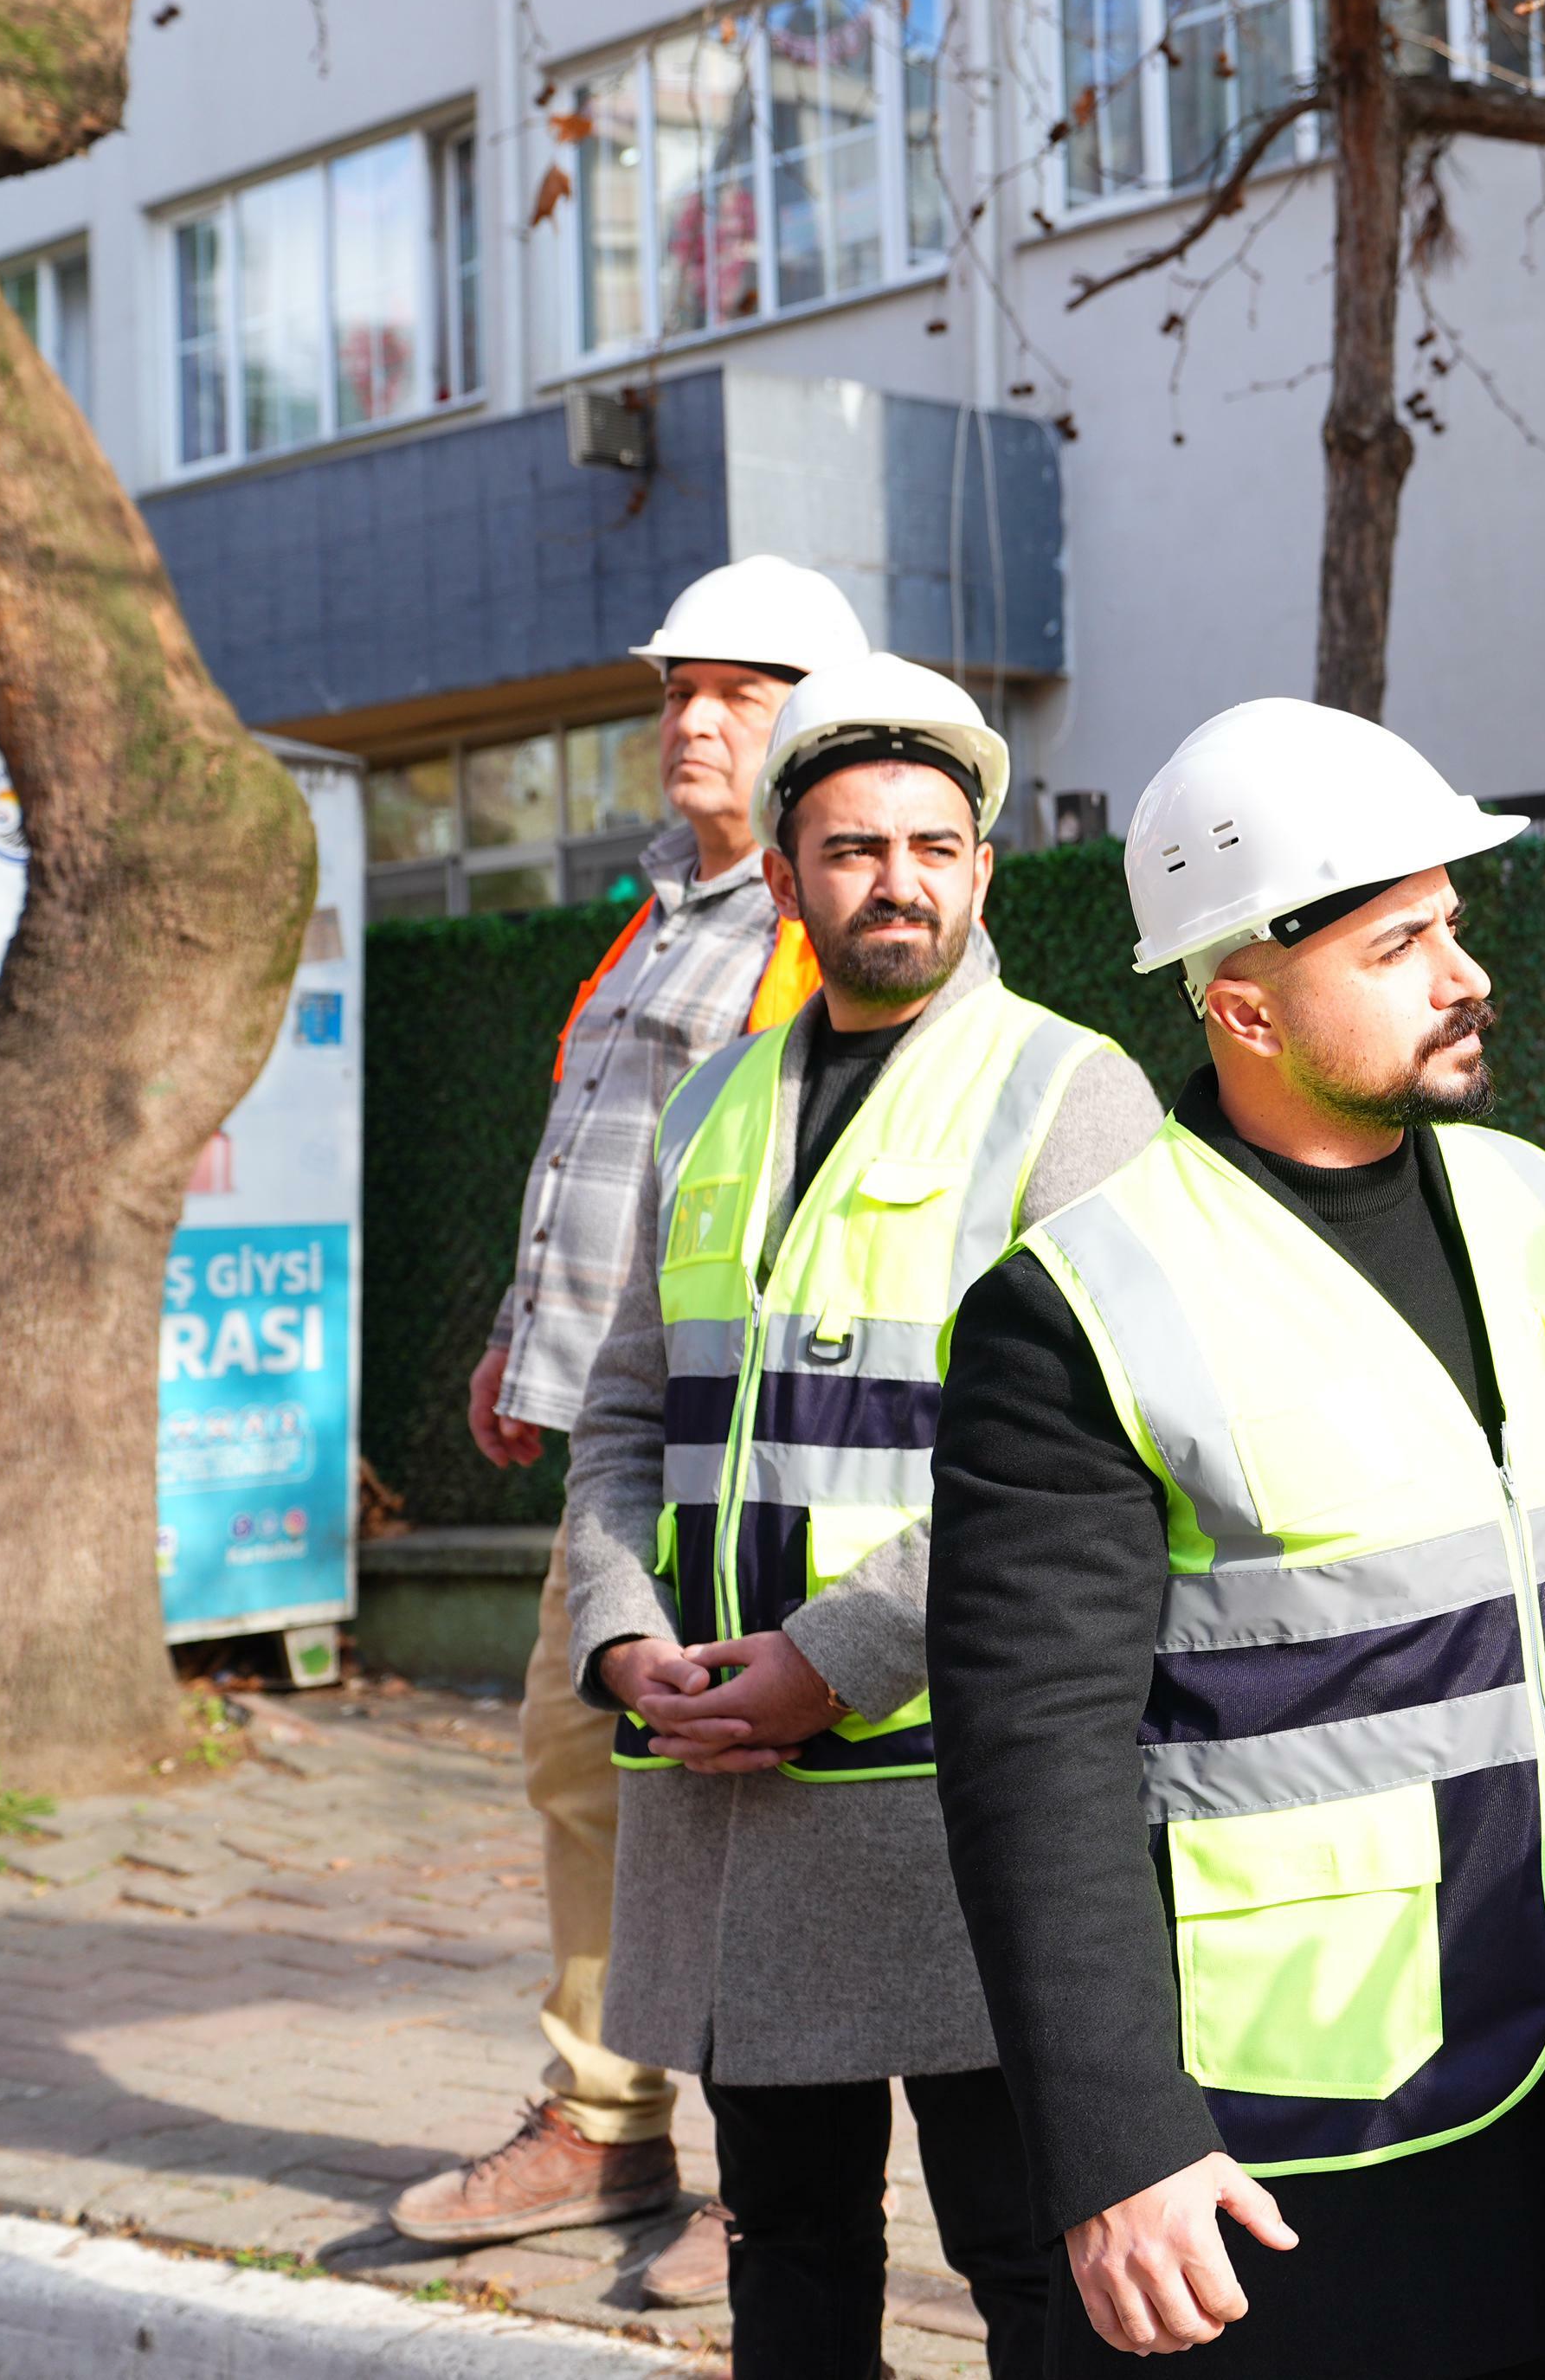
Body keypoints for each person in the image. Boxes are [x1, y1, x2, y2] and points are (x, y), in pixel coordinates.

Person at [927, 698, 1545, 2375]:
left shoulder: (1532, 1205)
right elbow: (1031, 1765)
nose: (1463, 974)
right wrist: (1116, 2144)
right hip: (1277, 2134)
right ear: (1242, 1000)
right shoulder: (1078, 1307)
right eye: (1400, 942)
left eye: (1452, 928)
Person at [563, 653, 1162, 2377]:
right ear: (782, 880)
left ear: (983, 869)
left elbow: (1100, 1472)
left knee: (1033, 2264)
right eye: (850, 849)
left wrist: (834, 1656)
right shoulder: (713, 1107)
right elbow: (623, 1412)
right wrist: (622, 1637)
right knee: (793, 2256)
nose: (894, 880)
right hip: (735, 1802)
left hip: (962, 1798)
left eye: (932, 845)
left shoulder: (1074, 1095)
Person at [396, 553, 866, 2301]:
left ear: (815, 718)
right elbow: (597, 1160)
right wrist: (523, 1349)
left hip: (740, 1461)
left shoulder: (835, 915)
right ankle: (606, 2128)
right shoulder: (663, 910)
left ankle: (785, 2182)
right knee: (582, 1771)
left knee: (761, 1800)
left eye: (736, 690)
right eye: (677, 686)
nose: (691, 716)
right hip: (612, 1447)